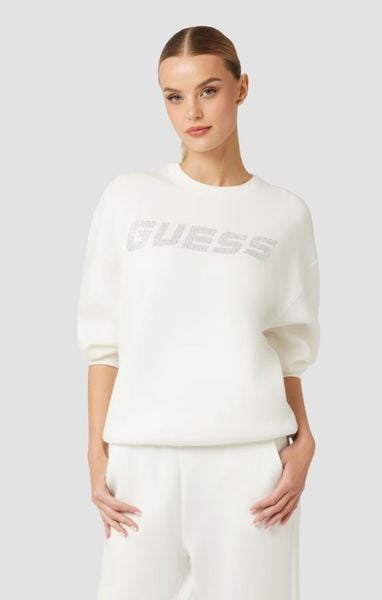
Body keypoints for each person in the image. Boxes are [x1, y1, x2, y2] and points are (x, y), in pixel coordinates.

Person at [76, 25, 320, 600]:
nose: (192, 112)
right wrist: (96, 452)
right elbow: (104, 339)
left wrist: (305, 440)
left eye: (209, 90)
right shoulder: (127, 198)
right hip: (141, 460)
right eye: (174, 96)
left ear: (242, 88)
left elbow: (288, 347)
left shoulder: (284, 213)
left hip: (250, 466)